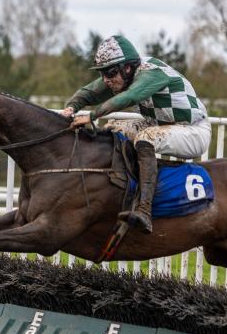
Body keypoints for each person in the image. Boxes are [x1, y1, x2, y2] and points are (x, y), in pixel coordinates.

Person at [60, 35, 211, 234]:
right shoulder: (125, 74)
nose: (106, 79)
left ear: (127, 68)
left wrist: (92, 116)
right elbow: (89, 92)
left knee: (145, 138)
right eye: (103, 73)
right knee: (113, 127)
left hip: (194, 130)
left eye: (111, 73)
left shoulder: (151, 73)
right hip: (159, 123)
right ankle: (117, 191)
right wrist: (70, 109)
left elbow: (130, 97)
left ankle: (144, 211)